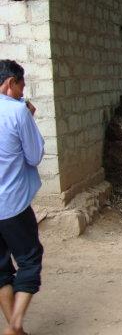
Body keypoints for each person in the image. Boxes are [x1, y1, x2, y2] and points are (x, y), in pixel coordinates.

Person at [0, 60, 44, 335]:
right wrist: (29, 117)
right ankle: (14, 326)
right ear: (9, 83)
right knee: (30, 258)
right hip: (11, 204)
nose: (22, 91)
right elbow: (34, 155)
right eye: (21, 86)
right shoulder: (17, 112)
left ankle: (14, 329)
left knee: (1, 268)